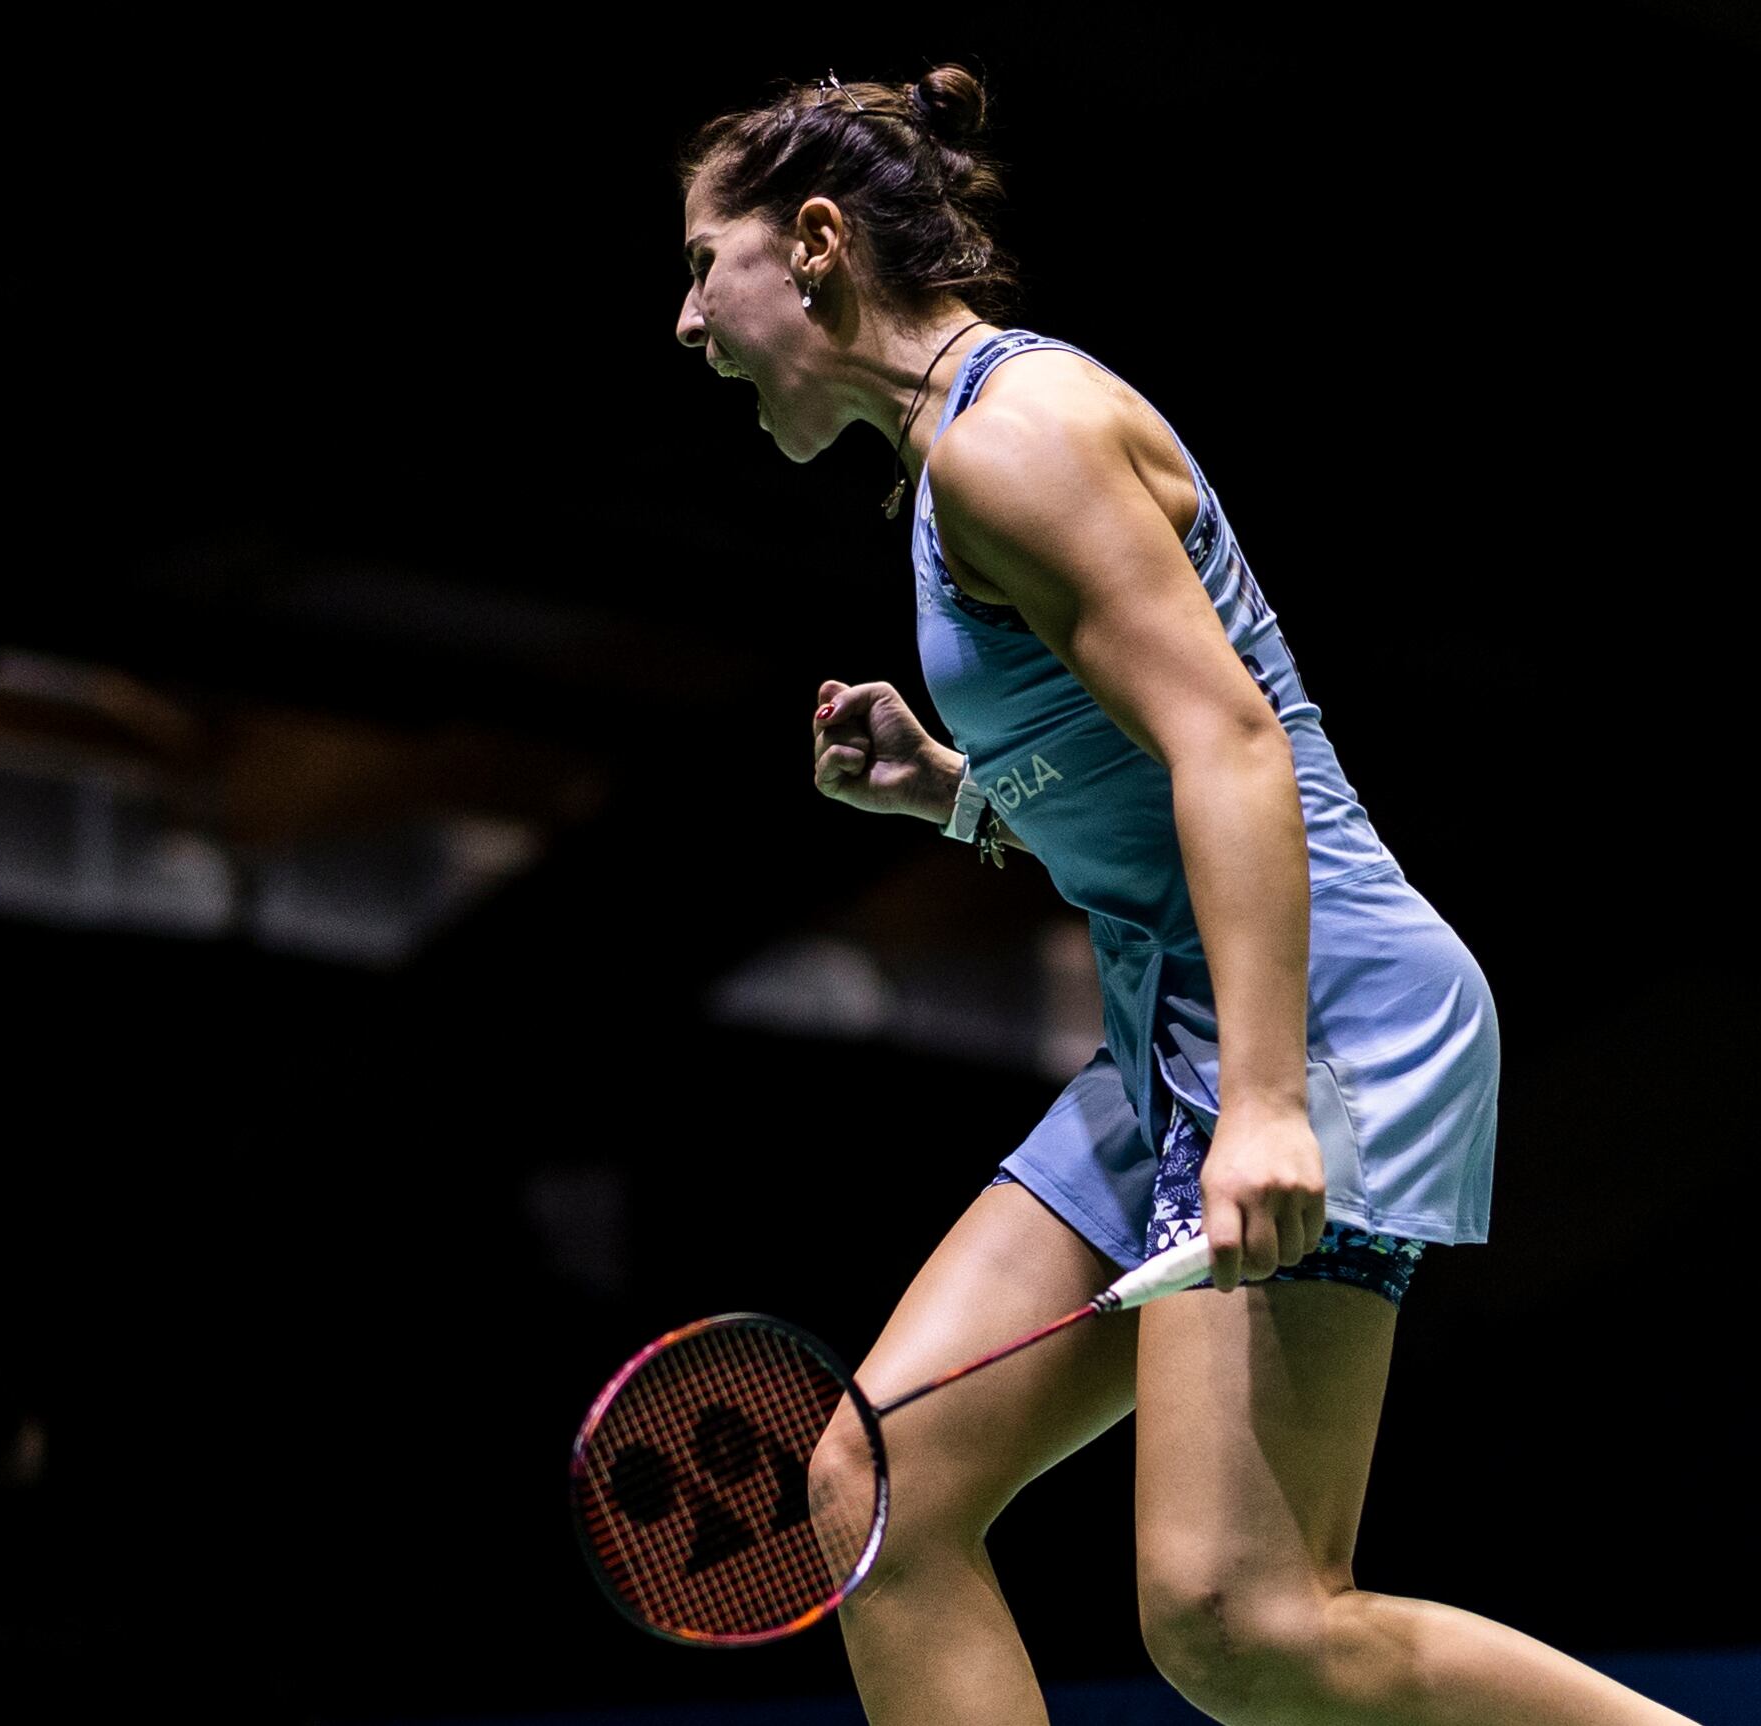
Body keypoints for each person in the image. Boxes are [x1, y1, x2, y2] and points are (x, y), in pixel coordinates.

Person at [674, 66, 1698, 1726]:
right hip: (1181, 1032)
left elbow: (1233, 747)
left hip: (1320, 1016)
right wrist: (954, 787)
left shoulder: (1017, 439)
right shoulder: (951, 467)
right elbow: (1141, 777)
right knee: (876, 1498)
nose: (684, 322)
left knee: (1244, 1617)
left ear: (809, 244)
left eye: (700, 266)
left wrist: (1271, 1101)